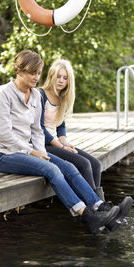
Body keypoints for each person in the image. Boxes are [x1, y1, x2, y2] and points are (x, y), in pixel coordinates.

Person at [0, 50, 131, 235]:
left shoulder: (35, 96)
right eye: (33, 73)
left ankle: (100, 207)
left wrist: (42, 152)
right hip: (3, 154)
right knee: (52, 170)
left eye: (38, 73)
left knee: (69, 167)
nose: (36, 77)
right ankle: (87, 216)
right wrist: (33, 153)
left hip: (27, 151)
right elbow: (3, 135)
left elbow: (37, 131)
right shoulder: (3, 94)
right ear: (19, 71)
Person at [39, 59, 105, 199]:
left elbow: (60, 126)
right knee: (84, 164)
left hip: (56, 143)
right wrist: (61, 147)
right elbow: (39, 128)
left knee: (96, 164)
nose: (61, 80)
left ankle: (101, 207)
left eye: (65, 78)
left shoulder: (61, 98)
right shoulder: (41, 95)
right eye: (58, 76)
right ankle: (96, 207)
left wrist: (66, 143)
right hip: (41, 144)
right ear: (51, 75)